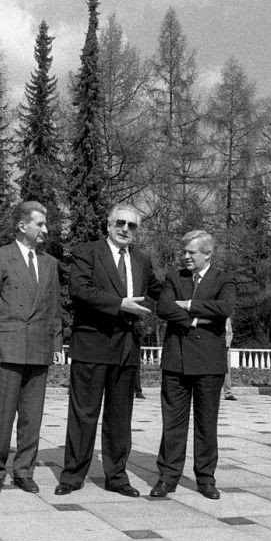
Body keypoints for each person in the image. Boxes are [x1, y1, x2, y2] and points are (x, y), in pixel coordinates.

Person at [55, 203, 163, 498]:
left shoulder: (142, 259)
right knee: (83, 415)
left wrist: (195, 292)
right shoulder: (87, 251)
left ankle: (116, 476)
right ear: (108, 224)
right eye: (120, 223)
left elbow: (159, 291)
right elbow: (79, 289)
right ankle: (72, 475)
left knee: (119, 418)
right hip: (92, 345)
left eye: (132, 225)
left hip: (126, 349)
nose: (125, 229)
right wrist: (119, 304)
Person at [0, 202, 64, 494]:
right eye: (40, 224)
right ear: (22, 226)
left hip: (39, 349)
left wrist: (56, 344)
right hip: (7, 348)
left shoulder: (50, 263)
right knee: (2, 416)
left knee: (32, 417)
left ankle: (24, 470)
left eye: (45, 224)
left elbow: (54, 307)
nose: (45, 229)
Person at [151, 230, 235, 500]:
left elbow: (225, 309)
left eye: (192, 252)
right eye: (184, 251)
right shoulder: (175, 277)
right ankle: (167, 477)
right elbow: (163, 308)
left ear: (208, 253)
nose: (185, 257)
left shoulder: (223, 279)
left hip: (209, 364)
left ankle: (206, 478)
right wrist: (194, 319)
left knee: (206, 424)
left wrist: (188, 304)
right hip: (176, 362)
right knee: (172, 424)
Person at [222, 317, 237, 401]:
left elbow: (230, 333)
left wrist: (227, 343)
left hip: (225, 349)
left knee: (227, 373)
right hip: (213, 349)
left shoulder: (227, 319)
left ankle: (228, 393)